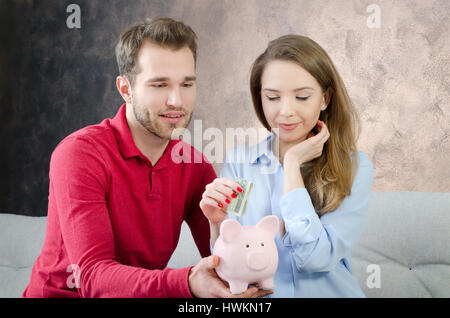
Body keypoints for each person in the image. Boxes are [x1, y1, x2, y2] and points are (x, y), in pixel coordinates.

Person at [23, 17, 269, 298]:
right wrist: (186, 282)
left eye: (186, 85)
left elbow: (228, 263)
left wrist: (221, 227)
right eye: (160, 85)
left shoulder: (195, 166)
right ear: (126, 89)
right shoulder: (79, 154)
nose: (177, 101)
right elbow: (92, 276)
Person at [200, 35, 375, 297]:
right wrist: (217, 225)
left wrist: (292, 164)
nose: (286, 111)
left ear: (325, 98)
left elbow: (315, 258)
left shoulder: (355, 167)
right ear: (260, 97)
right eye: (272, 97)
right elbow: (230, 264)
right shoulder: (240, 165)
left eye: (302, 97)